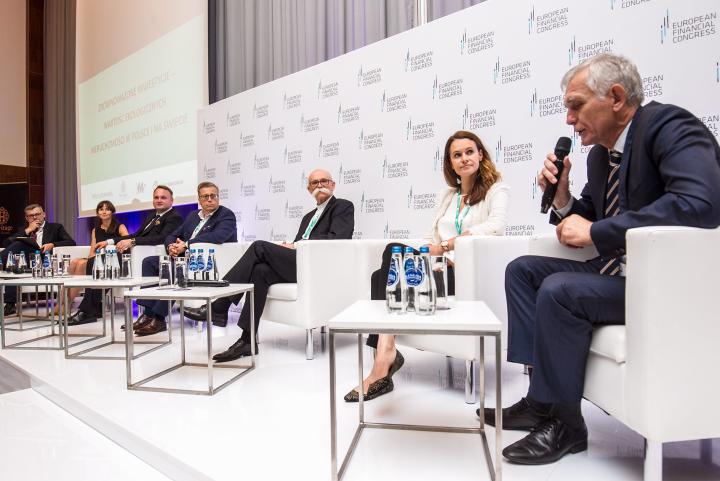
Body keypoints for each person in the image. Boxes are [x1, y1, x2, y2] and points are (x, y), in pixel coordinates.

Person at [484, 53, 720, 466]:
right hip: (617, 273)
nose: (569, 120)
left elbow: (700, 204)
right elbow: (590, 215)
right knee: (522, 271)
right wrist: (562, 198)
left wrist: (597, 232)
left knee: (560, 290)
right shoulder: (600, 155)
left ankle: (566, 426)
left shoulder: (670, 127)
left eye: (576, 106)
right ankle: (541, 400)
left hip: (662, 283)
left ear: (616, 97)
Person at [344, 130, 510, 402]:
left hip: (464, 273)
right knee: (383, 269)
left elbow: (495, 227)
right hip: (436, 269)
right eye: (457, 155)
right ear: (450, 163)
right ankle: (385, 351)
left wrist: (447, 248)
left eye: (469, 152)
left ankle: (383, 360)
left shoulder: (496, 190)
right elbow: (430, 238)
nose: (464, 158)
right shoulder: (448, 195)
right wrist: (430, 255)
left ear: (481, 155)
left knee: (388, 260)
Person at [183, 168, 354, 362]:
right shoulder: (308, 217)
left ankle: (219, 306)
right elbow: (298, 245)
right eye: (314, 182)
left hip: (319, 266)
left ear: (333, 185)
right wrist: (291, 246)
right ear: (309, 189)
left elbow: (337, 238)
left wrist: (296, 245)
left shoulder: (342, 206)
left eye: (324, 181)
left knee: (259, 247)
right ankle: (247, 340)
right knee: (260, 271)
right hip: (300, 263)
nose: (320, 185)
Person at [131, 182, 237, 336]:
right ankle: (148, 314)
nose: (209, 199)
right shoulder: (193, 215)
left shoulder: (226, 215)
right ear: (199, 199)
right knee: (149, 262)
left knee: (176, 270)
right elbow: (173, 235)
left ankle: (159, 319)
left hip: (205, 263)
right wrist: (171, 246)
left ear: (218, 197)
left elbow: (218, 236)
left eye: (212, 196)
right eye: (205, 196)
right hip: (184, 259)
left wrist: (186, 245)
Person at [66, 186, 183, 326]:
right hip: (134, 256)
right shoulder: (152, 216)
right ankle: (91, 309)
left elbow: (162, 238)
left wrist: (132, 242)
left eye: (163, 197)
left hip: (147, 256)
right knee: (96, 262)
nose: (159, 200)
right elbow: (135, 235)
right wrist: (109, 241)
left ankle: (87, 311)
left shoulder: (174, 217)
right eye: (156, 197)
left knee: (106, 263)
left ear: (171, 200)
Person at [1, 204, 76, 316]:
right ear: (27, 218)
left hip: (44, 259)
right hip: (26, 261)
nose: (35, 217)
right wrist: (28, 230)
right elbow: (6, 244)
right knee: (14, 258)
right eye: (31, 216)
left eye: (37, 214)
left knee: (17, 248)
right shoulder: (23, 229)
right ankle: (10, 305)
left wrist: (53, 244)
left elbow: (71, 242)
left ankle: (10, 304)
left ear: (44, 215)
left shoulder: (55, 227)